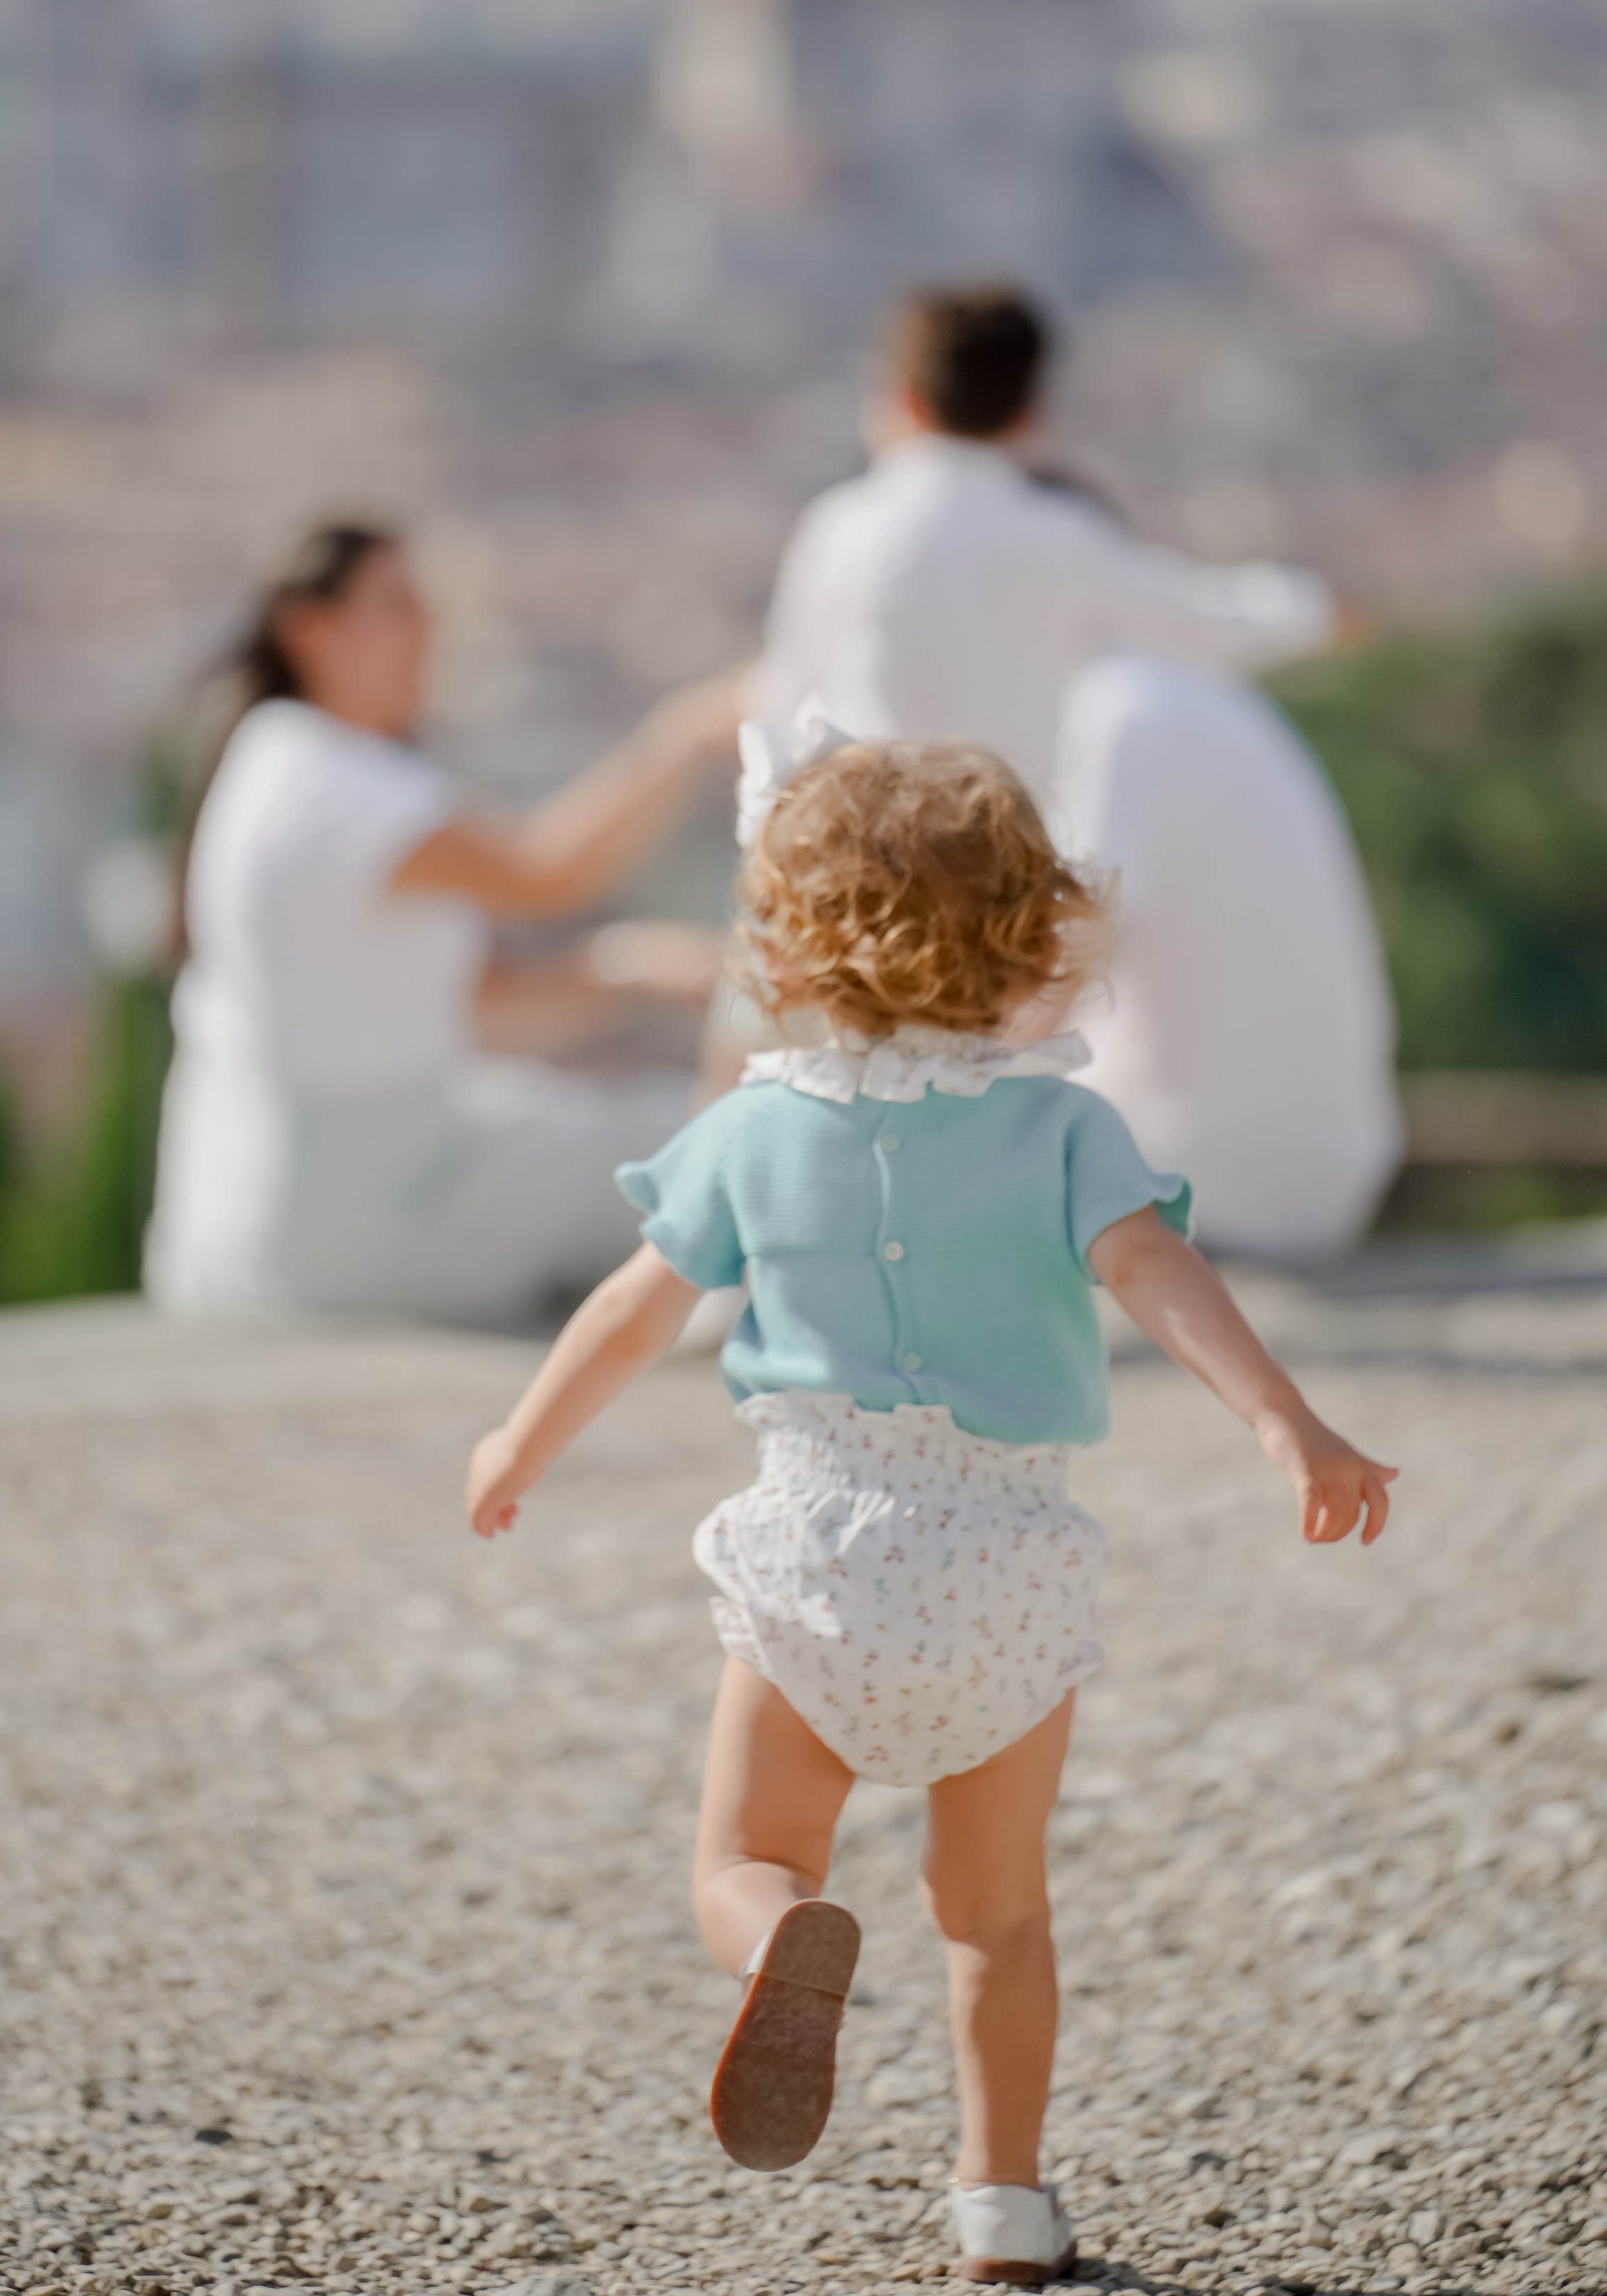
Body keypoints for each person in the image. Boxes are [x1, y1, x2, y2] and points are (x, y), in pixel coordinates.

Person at [465, 735, 1395, 2286]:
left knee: (741, 1858)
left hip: (819, 1556)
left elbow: (633, 1313)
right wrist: (1285, 1424)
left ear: (784, 938)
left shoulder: (754, 1131)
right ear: (1032, 933)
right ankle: (1000, 2207)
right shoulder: (1061, 1131)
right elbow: (1159, 1276)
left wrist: (516, 1440)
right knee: (994, 1918)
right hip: (1004, 1572)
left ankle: (776, 1946)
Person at [146, 517, 739, 1328]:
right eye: (396, 606)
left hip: (250, 1235)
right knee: (701, 1150)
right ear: (308, 630)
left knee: (597, 1125)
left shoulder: (273, 756)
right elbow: (547, 872)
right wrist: (687, 735)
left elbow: (477, 1005)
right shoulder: (334, 785)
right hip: (353, 1233)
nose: (428, 631)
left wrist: (633, 969)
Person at [752, 282, 1346, 817]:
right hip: (1016, 878)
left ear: (902, 398)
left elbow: (786, 709)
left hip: (872, 873)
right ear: (1030, 416)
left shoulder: (839, 530)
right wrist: (1321, 610)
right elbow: (1204, 621)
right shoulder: (1063, 536)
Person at [1054, 653, 1403, 1261]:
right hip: (1327, 1178)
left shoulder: (1122, 704)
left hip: (1193, 1170)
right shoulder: (1214, 700)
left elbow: (1069, 947)